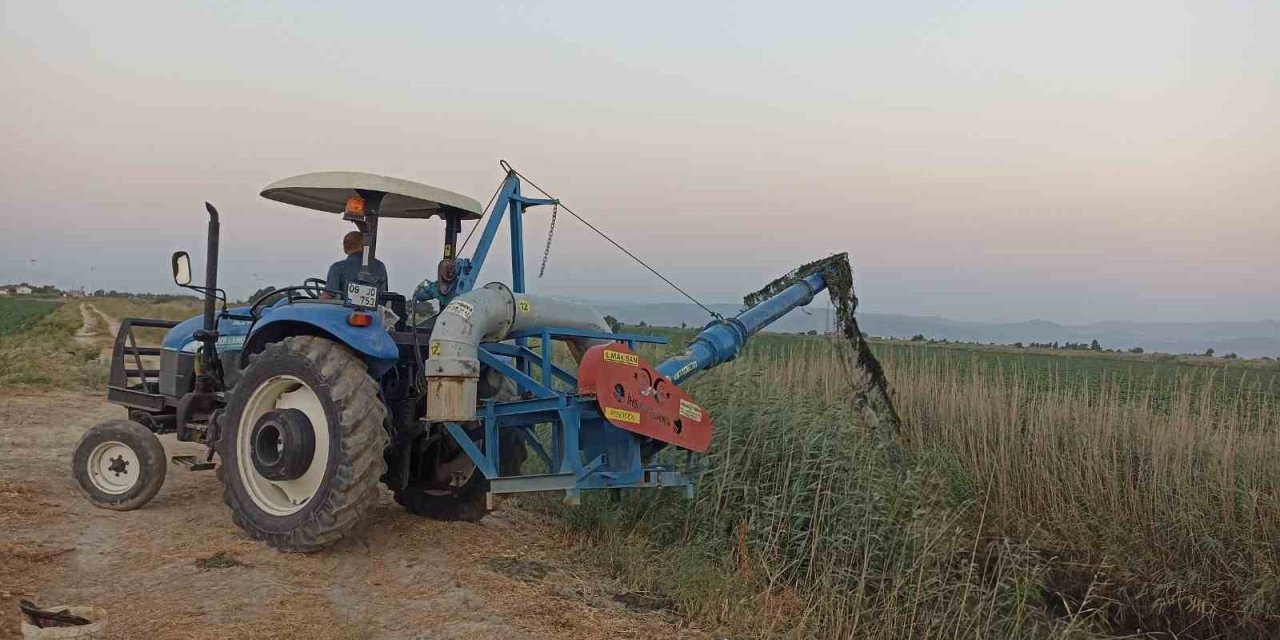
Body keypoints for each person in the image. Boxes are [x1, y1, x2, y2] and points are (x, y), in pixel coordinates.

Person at [324, 230, 388, 297]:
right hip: (377, 306)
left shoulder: (337, 267)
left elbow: (328, 296)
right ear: (364, 245)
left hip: (346, 307)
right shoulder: (380, 266)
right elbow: (384, 294)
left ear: (345, 248)